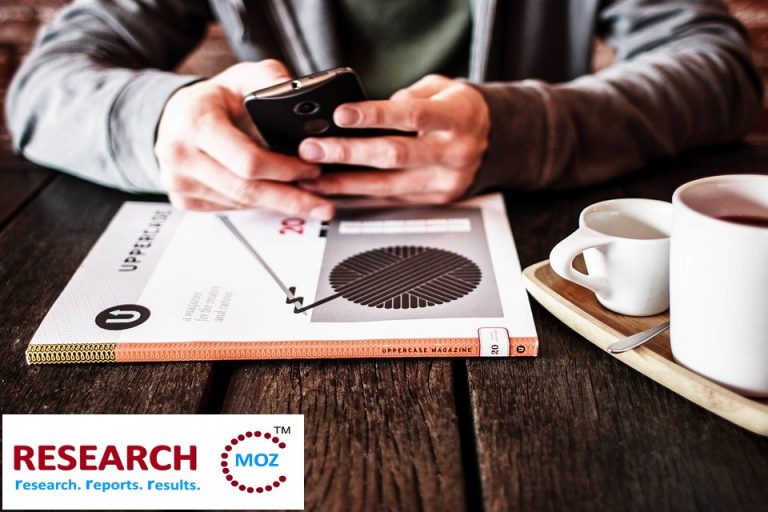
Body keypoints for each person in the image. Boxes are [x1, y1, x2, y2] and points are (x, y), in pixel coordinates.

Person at [6, 0, 763, 219]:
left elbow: (719, 65)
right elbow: (45, 86)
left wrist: (518, 131)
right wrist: (159, 121)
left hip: (542, 238)